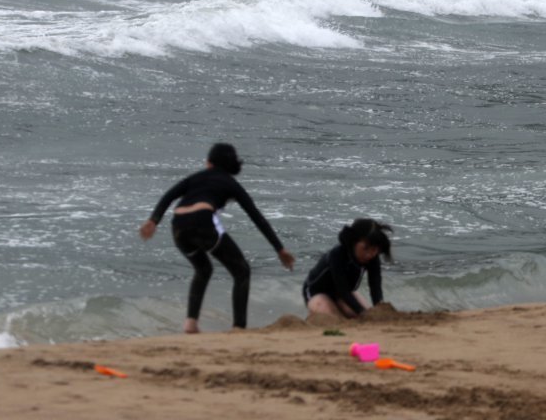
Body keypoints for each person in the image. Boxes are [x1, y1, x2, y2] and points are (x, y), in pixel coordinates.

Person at [139, 143, 296, 334]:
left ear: (209, 163)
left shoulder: (195, 178)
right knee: (242, 271)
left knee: (203, 269)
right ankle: (239, 327)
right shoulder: (230, 183)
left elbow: (169, 196)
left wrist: (154, 220)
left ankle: (190, 323)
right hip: (202, 223)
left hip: (178, 226)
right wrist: (279, 249)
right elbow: (256, 217)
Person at [304, 218, 393, 319]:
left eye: (374, 250)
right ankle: (314, 313)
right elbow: (343, 290)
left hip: (343, 294)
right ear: (353, 242)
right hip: (317, 292)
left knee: (368, 313)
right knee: (335, 319)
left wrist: (379, 309)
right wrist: (362, 312)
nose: (369, 254)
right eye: (366, 248)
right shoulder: (337, 255)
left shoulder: (372, 258)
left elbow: (375, 287)